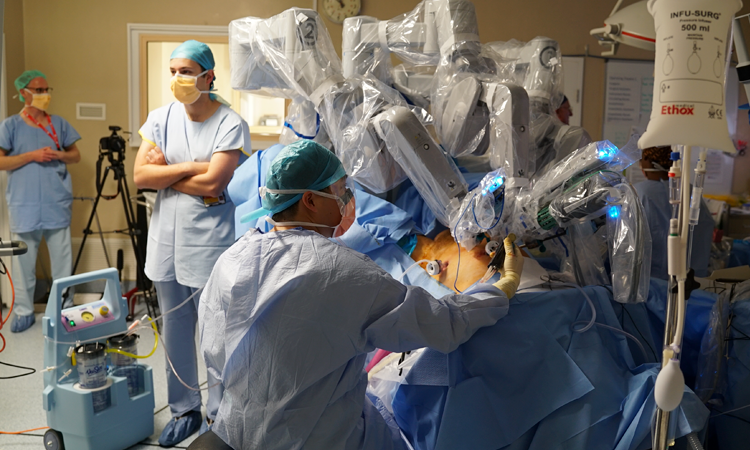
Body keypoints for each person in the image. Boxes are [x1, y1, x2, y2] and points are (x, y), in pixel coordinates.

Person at [198, 140, 524, 450]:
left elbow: (213, 351)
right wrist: (499, 289)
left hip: (235, 431)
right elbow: (445, 325)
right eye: (339, 190)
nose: (348, 198)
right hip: (313, 439)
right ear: (310, 201)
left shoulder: (232, 258)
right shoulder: (341, 271)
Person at [133, 40, 250, 447]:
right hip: (166, 244)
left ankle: (219, 416)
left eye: (186, 71)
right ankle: (183, 409)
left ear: (208, 75)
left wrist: (167, 172)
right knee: (176, 333)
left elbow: (216, 182)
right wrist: (192, 170)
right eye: (173, 72)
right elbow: (140, 177)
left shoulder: (229, 123)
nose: (178, 79)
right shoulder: (160, 119)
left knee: (216, 336)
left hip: (211, 246)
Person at [0, 70, 81, 333]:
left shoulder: (58, 123)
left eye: (47, 90)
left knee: (62, 264)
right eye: (38, 90)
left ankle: (61, 311)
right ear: (23, 92)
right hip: (24, 204)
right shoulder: (10, 125)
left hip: (55, 201)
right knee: (24, 264)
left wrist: (55, 154)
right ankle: (23, 312)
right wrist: (32, 155)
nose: (44, 95)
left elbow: (75, 155)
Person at [635, 146, 714, 280]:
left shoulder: (638, 193)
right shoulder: (688, 190)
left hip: (649, 281)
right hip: (690, 281)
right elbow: (704, 229)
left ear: (647, 163)